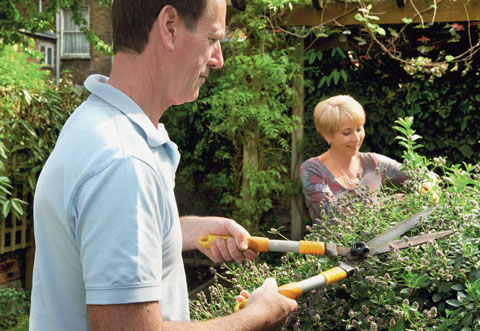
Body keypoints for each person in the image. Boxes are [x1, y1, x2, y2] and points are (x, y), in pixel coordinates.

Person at [29, 0, 297, 330]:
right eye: (213, 39)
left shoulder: (96, 124)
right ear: (169, 27)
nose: (218, 59)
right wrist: (257, 315)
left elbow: (94, 240)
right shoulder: (124, 163)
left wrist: (184, 231)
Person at [301, 95, 408, 219]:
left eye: (359, 129)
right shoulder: (313, 170)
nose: (356, 138)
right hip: (333, 239)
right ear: (327, 136)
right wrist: (391, 202)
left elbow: (419, 175)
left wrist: (428, 182)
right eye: (347, 133)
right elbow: (333, 216)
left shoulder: (373, 162)